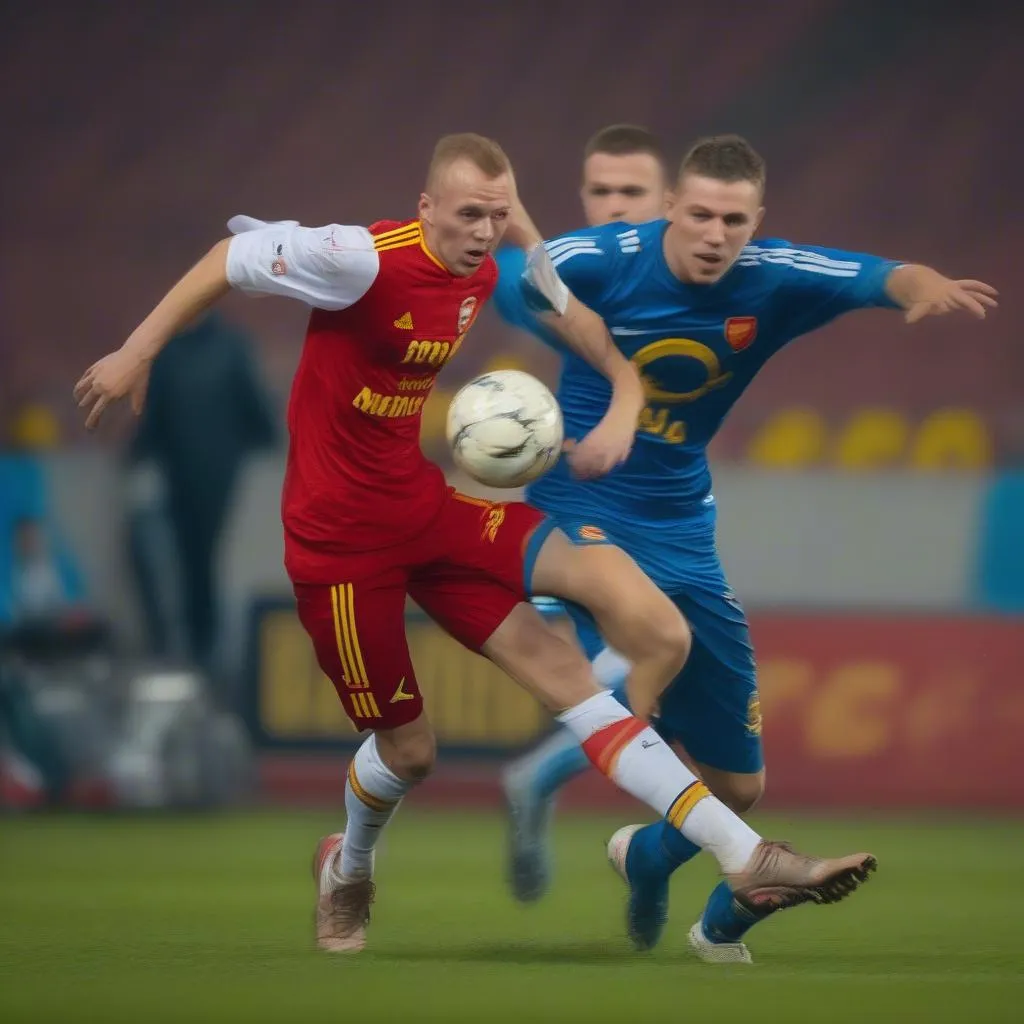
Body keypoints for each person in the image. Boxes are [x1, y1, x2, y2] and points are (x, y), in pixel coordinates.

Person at [74, 132, 876, 955]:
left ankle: (747, 857)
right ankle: (347, 867)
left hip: (428, 509)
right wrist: (137, 352)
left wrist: (625, 382)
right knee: (410, 752)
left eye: (497, 215)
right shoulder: (359, 258)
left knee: (578, 641)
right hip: (340, 548)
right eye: (467, 215)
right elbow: (229, 255)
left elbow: (561, 296)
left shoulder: (495, 260)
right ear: (427, 209)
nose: (483, 231)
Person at [495, 132, 997, 962]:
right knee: (637, 657)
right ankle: (745, 862)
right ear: (670, 210)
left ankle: (659, 870)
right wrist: (599, 359)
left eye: (733, 219)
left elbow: (874, 275)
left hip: (683, 530)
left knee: (738, 783)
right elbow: (523, 280)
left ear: (755, 222)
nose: (714, 233)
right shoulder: (603, 258)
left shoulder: (777, 277)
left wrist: (922, 285)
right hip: (577, 506)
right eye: (698, 214)